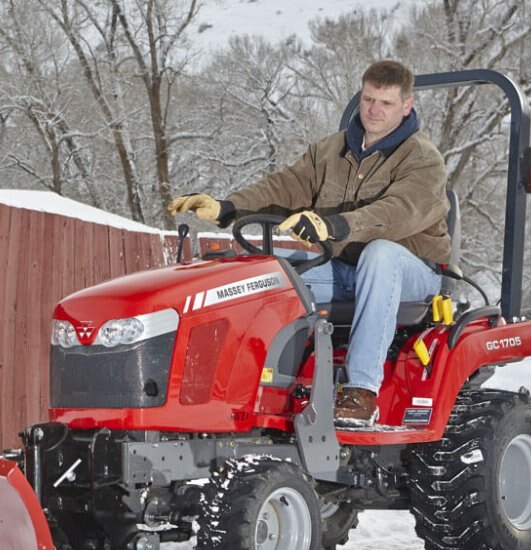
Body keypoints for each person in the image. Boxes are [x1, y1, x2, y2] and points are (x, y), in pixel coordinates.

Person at [168, 59, 449, 426]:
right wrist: (228, 206)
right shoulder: (331, 151)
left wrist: (334, 225)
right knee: (264, 270)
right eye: (368, 99)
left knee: (380, 255)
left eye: (386, 103)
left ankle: (361, 391)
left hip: (411, 273)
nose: (374, 110)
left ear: (407, 106)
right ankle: (233, 388)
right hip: (344, 267)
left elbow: (398, 211)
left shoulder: (423, 160)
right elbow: (285, 186)